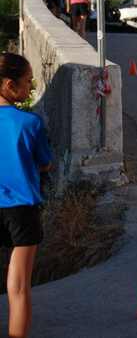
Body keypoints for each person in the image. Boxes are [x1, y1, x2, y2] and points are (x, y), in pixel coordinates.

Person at [0, 53, 52, 338]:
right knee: (18, 286)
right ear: (9, 85)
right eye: (27, 81)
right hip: (22, 207)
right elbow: (45, 163)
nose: (30, 87)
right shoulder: (29, 123)